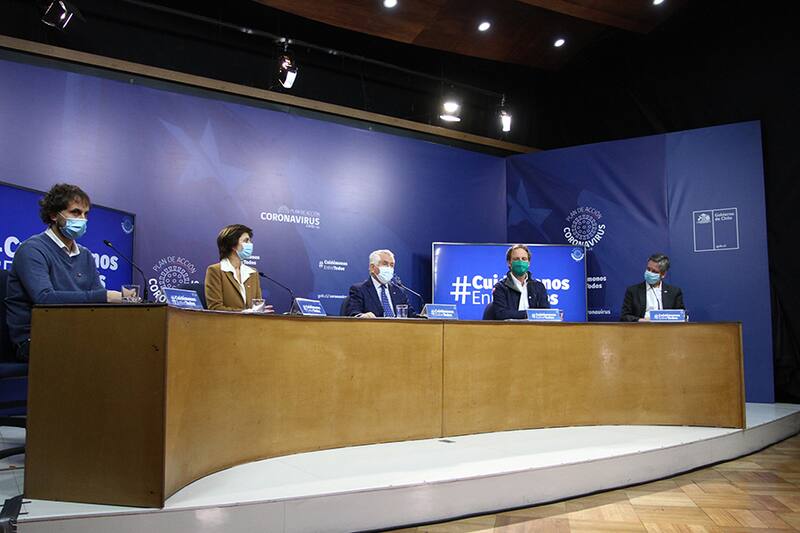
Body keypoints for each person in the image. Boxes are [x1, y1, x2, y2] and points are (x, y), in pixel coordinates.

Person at [4, 183, 126, 362]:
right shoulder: (32, 249)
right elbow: (44, 298)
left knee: (126, 345)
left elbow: (98, 304)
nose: (82, 219)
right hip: (35, 339)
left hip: (76, 332)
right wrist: (105, 296)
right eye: (75, 212)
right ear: (54, 215)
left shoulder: (85, 255)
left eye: (85, 214)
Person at [204, 224, 270, 312]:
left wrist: (260, 311)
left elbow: (257, 307)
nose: (250, 244)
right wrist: (245, 312)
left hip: (251, 321)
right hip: (227, 321)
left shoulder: (253, 273)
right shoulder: (215, 271)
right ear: (233, 245)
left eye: (250, 241)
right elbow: (215, 308)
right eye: (246, 241)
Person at [344, 249, 416, 318]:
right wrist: (363, 316)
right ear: (372, 267)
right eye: (385, 264)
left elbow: (412, 317)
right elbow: (353, 315)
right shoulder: (359, 290)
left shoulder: (399, 291)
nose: (389, 268)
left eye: (392, 265)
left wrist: (422, 317)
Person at [491, 244, 550, 320]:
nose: (520, 262)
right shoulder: (500, 287)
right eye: (516, 259)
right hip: (510, 327)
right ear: (509, 263)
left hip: (535, 327)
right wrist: (529, 314)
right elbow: (502, 314)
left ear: (528, 263)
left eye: (524, 259)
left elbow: (546, 313)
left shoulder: (539, 287)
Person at [620, 252, 684, 322]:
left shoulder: (674, 292)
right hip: (641, 327)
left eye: (654, 271)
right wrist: (641, 320)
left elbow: (681, 316)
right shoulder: (633, 291)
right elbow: (624, 317)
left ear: (663, 274)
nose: (650, 273)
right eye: (648, 269)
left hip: (666, 328)